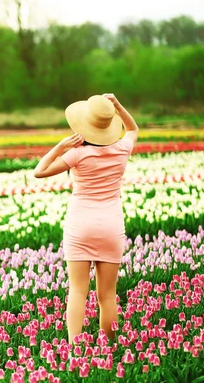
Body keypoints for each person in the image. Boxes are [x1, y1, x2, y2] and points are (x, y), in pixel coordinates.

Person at [33, 93, 139, 344]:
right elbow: (133, 128)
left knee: (78, 291)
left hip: (80, 226)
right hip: (111, 226)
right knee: (108, 295)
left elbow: (39, 171)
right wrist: (118, 106)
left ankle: (74, 351)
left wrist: (61, 146)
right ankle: (111, 348)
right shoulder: (123, 148)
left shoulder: (77, 155)